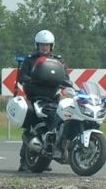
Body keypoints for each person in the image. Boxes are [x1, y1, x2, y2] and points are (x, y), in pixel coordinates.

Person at [16, 29, 72, 172]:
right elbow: (23, 77)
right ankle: (24, 161)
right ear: (37, 45)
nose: (44, 47)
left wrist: (66, 83)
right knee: (33, 125)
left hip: (53, 95)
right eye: (41, 45)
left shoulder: (58, 60)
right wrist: (37, 79)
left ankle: (51, 155)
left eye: (47, 45)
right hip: (36, 95)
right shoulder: (30, 59)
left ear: (51, 46)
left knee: (60, 119)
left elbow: (65, 77)